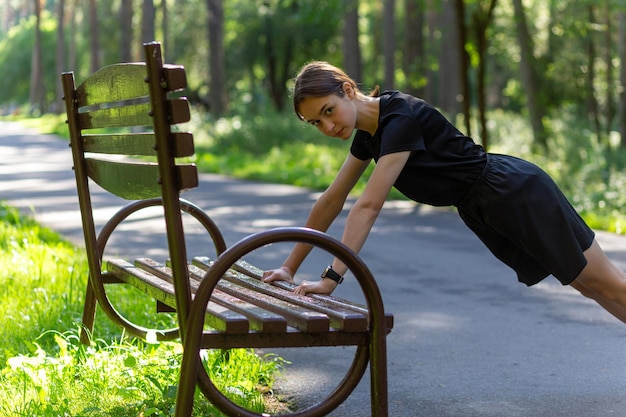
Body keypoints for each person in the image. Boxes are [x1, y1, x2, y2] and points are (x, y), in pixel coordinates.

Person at [261, 60, 626, 324]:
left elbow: (368, 206)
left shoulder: (398, 118)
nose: (327, 126)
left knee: (603, 282)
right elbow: (332, 200)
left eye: (328, 111)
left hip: (514, 193)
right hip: (487, 205)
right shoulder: (370, 135)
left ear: (347, 90)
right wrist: (288, 267)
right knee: (588, 286)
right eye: (316, 123)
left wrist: (330, 279)